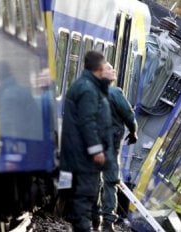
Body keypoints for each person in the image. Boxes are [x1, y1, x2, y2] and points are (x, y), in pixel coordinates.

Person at [59, 51, 114, 232]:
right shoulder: (88, 89)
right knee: (83, 199)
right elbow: (88, 122)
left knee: (83, 199)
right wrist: (96, 150)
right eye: (106, 66)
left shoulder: (88, 86)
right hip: (83, 158)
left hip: (79, 155)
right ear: (99, 68)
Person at [92, 63, 138, 232]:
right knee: (110, 181)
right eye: (111, 70)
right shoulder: (115, 92)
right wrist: (134, 133)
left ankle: (95, 218)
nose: (115, 71)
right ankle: (107, 222)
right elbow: (129, 116)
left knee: (94, 181)